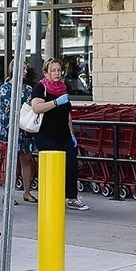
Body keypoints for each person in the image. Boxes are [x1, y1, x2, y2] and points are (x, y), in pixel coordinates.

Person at [30, 58, 89, 211]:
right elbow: (36, 108)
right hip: (46, 134)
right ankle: (50, 199)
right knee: (51, 168)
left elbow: (67, 113)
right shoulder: (40, 87)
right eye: (53, 70)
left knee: (72, 165)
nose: (57, 73)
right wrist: (55, 102)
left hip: (63, 134)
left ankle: (72, 198)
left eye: (58, 70)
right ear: (46, 72)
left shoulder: (64, 87)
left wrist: (71, 132)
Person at [0, 61, 37, 204]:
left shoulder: (28, 88)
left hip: (25, 129)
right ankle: (7, 194)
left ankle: (27, 192)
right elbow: (8, 110)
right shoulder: (5, 88)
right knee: (10, 162)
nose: (25, 71)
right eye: (22, 68)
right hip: (10, 128)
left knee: (26, 160)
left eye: (26, 68)